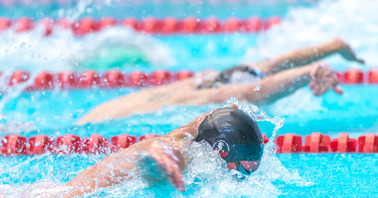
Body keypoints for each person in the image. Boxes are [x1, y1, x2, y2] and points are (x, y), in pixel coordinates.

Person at [26, 105, 281, 198]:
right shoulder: (186, 154)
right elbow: (160, 150)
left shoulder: (197, 135)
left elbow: (210, 117)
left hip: (47, 194)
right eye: (241, 172)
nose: (241, 178)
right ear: (220, 151)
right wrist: (158, 154)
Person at [77, 37, 364, 124]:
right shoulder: (95, 117)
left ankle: (314, 65)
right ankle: (329, 49)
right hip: (200, 82)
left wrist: (309, 72)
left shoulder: (94, 121)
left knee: (250, 91)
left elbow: (254, 92)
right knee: (262, 68)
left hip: (193, 95)